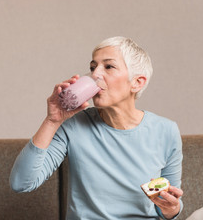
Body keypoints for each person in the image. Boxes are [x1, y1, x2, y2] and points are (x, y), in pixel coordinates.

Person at [10, 36, 183, 219]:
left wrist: (171, 209)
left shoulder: (166, 131)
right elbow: (21, 183)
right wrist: (52, 121)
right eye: (93, 67)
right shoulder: (74, 126)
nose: (95, 74)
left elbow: (167, 206)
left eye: (108, 66)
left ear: (137, 82)